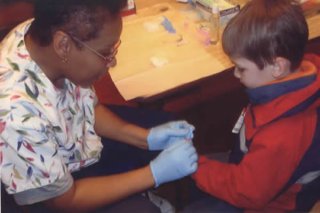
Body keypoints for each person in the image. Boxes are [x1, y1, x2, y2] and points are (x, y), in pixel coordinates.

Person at [0, 0, 198, 212]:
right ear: (63, 45)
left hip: (75, 142)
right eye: (105, 52)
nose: (112, 62)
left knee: (166, 127)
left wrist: (145, 138)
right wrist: (153, 174)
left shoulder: (41, 35)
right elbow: (65, 201)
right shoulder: (15, 114)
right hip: (57, 191)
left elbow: (89, 108)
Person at [184, 0, 320, 212]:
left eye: (241, 68)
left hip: (270, 204)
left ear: (277, 66)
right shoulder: (296, 77)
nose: (236, 74)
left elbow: (246, 192)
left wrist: (194, 166)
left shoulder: (283, 134)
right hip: (254, 170)